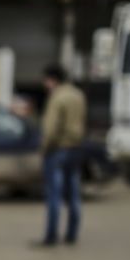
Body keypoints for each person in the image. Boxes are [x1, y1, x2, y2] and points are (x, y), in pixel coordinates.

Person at [37, 63, 87, 246]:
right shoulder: (78, 95)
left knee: (54, 195)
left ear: (52, 80)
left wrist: (44, 149)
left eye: (45, 81)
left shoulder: (57, 98)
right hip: (76, 148)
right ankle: (72, 234)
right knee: (74, 194)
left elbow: (50, 129)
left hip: (58, 150)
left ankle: (51, 236)